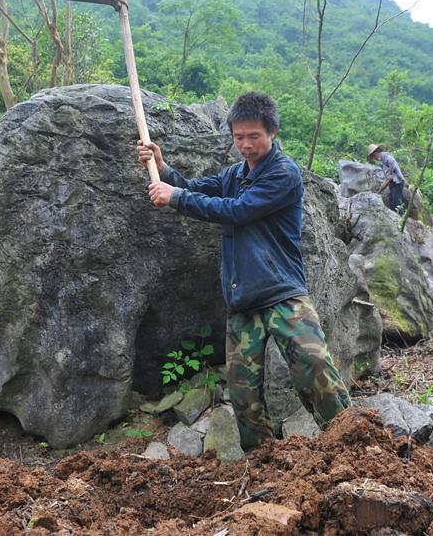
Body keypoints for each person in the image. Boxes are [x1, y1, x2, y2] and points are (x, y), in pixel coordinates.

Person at [138, 91, 351, 449]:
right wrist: (162, 168)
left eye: (254, 136)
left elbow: (236, 210)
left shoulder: (284, 174)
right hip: (242, 301)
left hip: (283, 293)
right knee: (243, 394)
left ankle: (353, 441)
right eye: (239, 137)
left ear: (273, 132)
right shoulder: (234, 174)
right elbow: (193, 188)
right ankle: (264, 461)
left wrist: (173, 197)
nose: (246, 145)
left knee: (315, 368)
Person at [366, 144, 405, 211]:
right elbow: (388, 175)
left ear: (375, 153)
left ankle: (402, 219)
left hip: (397, 182)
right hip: (392, 184)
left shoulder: (388, 158)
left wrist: (384, 184)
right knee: (391, 203)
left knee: (397, 203)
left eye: (373, 156)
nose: (374, 158)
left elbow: (392, 173)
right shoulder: (383, 160)